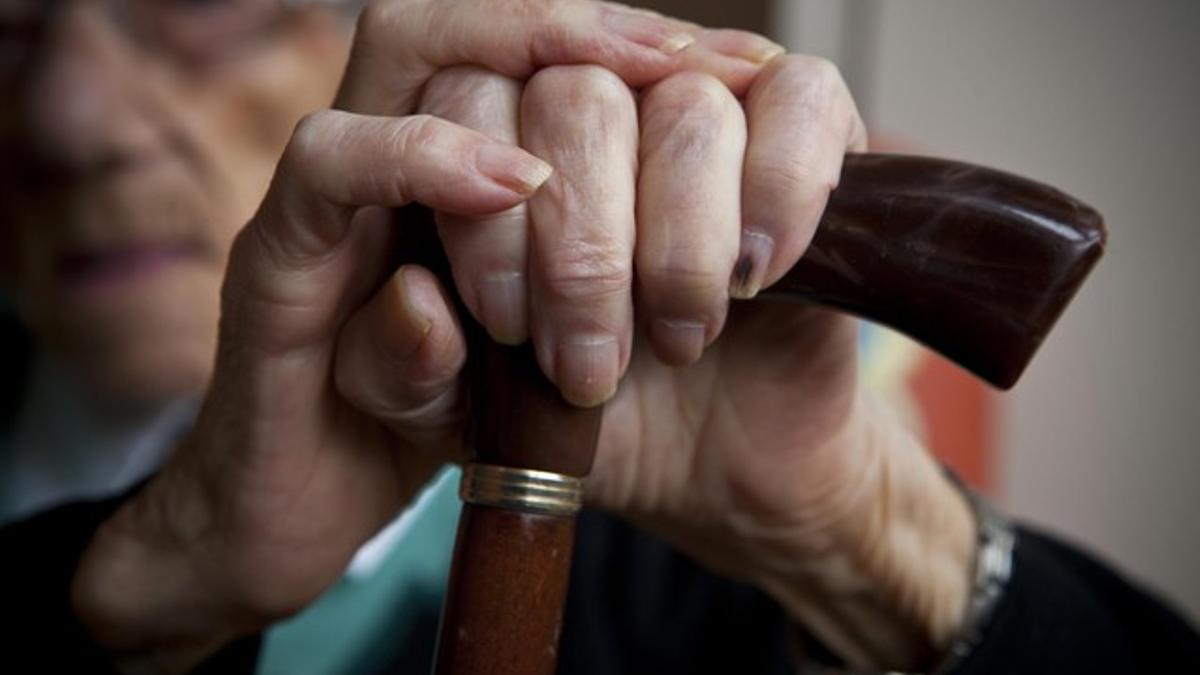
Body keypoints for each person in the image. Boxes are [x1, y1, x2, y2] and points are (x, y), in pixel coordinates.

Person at [0, 1, 1196, 673]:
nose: (66, 119)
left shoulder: (702, 592)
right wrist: (149, 581)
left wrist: (867, 532)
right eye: (7, 34)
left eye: (195, 9)